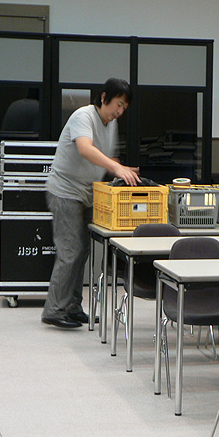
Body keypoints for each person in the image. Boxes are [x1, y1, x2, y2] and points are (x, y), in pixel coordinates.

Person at [42, 78, 140, 328]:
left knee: (82, 251)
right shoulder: (83, 116)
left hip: (88, 192)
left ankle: (72, 306)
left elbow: (105, 157)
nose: (120, 111)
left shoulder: (111, 124)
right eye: (118, 104)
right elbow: (86, 148)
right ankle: (54, 309)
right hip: (66, 190)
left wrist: (121, 168)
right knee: (70, 250)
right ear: (104, 97)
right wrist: (116, 168)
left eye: (124, 107)